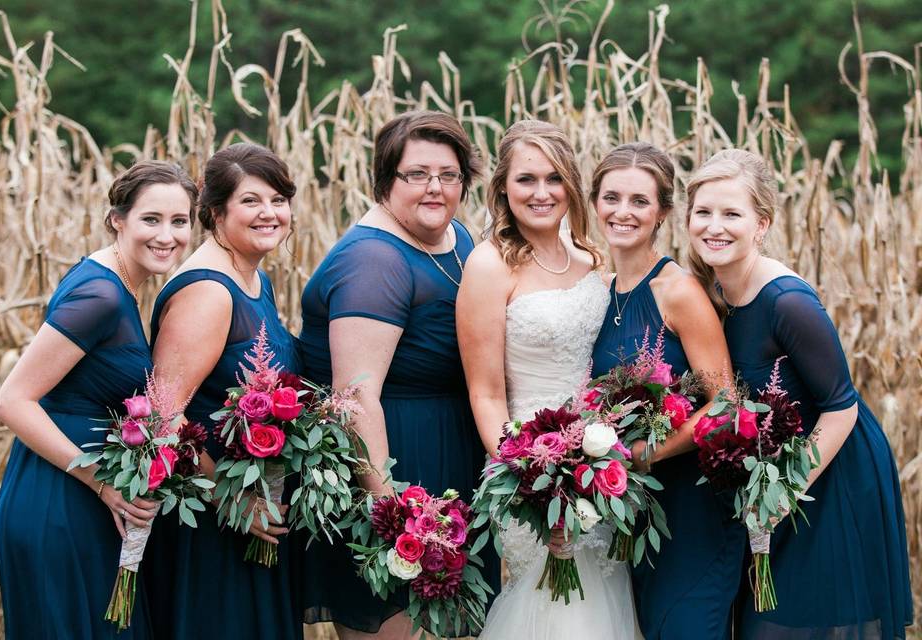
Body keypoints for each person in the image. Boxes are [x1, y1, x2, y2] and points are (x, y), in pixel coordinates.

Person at [686, 148, 913, 639]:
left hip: (830, 473)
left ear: (761, 224)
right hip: (779, 474)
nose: (714, 226)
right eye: (703, 212)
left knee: (795, 623)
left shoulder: (787, 302)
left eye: (732, 214)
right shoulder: (718, 291)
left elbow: (840, 406)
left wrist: (781, 493)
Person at [299, 110, 498, 639]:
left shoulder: (454, 237)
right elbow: (356, 400)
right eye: (416, 174)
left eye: (449, 175)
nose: (435, 187)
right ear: (386, 179)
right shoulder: (374, 261)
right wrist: (393, 516)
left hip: (452, 457)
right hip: (395, 468)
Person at [0, 161, 196, 639]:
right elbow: (12, 401)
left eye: (179, 221)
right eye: (151, 219)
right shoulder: (100, 296)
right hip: (59, 498)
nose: (167, 235)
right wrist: (102, 481)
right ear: (117, 219)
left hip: (85, 496)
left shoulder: (115, 282)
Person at [457, 119, 639, 638]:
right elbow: (486, 392)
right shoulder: (490, 266)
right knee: (553, 606)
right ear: (502, 189)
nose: (542, 193)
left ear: (571, 185)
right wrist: (529, 478)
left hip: (602, 462)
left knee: (602, 597)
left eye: (554, 179)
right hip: (531, 468)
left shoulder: (590, 257)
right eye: (526, 180)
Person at [143, 143, 303, 639]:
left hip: (254, 513)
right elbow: (160, 420)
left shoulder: (256, 280)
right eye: (251, 201)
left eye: (278, 199)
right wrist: (233, 499)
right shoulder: (208, 292)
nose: (269, 213)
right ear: (215, 213)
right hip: (211, 524)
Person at [588, 142, 743, 638]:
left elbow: (726, 405)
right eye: (612, 197)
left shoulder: (677, 291)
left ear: (663, 213)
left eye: (640, 201)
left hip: (689, 503)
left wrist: (645, 453)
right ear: (594, 203)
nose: (623, 212)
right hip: (632, 508)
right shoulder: (602, 288)